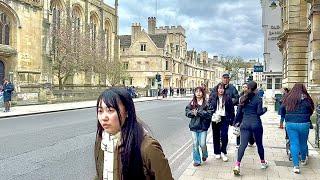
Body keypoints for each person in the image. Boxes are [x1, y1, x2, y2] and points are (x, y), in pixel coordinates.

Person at [94, 88, 173, 180]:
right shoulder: (102, 142)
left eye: (110, 110)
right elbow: (101, 174)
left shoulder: (148, 147)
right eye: (100, 111)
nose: (103, 117)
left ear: (127, 112)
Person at [233, 81, 268, 175]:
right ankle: (263, 162)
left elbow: (239, 113)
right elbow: (259, 112)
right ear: (256, 89)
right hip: (256, 124)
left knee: (242, 145)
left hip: (245, 124)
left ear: (248, 88)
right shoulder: (258, 99)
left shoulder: (242, 98)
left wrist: (236, 122)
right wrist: (265, 109)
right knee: (259, 144)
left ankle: (237, 165)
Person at [280, 84, 314, 174]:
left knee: (294, 143)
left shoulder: (288, 98)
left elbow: (282, 109)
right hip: (304, 123)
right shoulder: (307, 99)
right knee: (303, 142)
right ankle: (303, 159)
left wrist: (286, 116)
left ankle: (296, 166)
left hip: (290, 123)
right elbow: (311, 110)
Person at [185, 86, 211, 166]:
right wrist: (192, 113)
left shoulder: (206, 103)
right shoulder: (192, 103)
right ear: (195, 93)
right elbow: (187, 112)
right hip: (194, 127)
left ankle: (205, 154)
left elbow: (209, 114)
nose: (198, 93)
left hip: (203, 127)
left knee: (202, 144)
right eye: (196, 92)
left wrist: (199, 112)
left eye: (200, 91)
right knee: (195, 143)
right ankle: (197, 160)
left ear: (203, 93)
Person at [208, 82, 235, 162]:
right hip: (215, 118)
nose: (221, 90)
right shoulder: (213, 97)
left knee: (224, 136)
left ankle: (223, 151)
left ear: (224, 89)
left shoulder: (228, 98)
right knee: (215, 135)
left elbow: (231, 110)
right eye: (219, 88)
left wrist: (232, 120)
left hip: (224, 118)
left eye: (222, 88)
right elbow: (209, 107)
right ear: (217, 89)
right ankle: (217, 152)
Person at [235, 83, 255, 148]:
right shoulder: (240, 96)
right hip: (240, 115)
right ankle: (238, 143)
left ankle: (251, 141)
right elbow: (237, 104)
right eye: (243, 87)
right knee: (238, 128)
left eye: (246, 87)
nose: (244, 88)